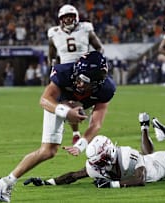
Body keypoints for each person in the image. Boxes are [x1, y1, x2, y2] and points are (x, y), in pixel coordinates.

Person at [0, 51, 116, 202]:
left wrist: (80, 145)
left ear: (97, 81)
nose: (78, 82)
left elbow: (96, 123)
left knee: (50, 150)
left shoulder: (106, 89)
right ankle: (6, 182)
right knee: (48, 151)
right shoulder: (65, 72)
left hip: (75, 107)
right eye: (78, 76)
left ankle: (6, 181)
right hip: (57, 104)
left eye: (84, 80)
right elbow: (44, 99)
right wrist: (66, 112)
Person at [23, 113, 165, 188]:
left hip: (161, 165)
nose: (95, 165)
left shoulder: (126, 155)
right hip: (147, 160)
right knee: (146, 155)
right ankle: (144, 128)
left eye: (99, 160)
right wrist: (47, 182)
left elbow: (140, 179)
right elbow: (74, 176)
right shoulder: (95, 165)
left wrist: (113, 185)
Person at [48, 4, 104, 145]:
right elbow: (52, 55)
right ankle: (76, 133)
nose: (68, 20)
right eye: (65, 17)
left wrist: (95, 62)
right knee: (70, 103)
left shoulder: (85, 29)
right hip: (67, 72)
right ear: (60, 19)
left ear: (76, 17)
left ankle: (91, 130)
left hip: (85, 71)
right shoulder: (54, 33)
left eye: (70, 16)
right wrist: (53, 69)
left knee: (93, 100)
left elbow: (99, 47)